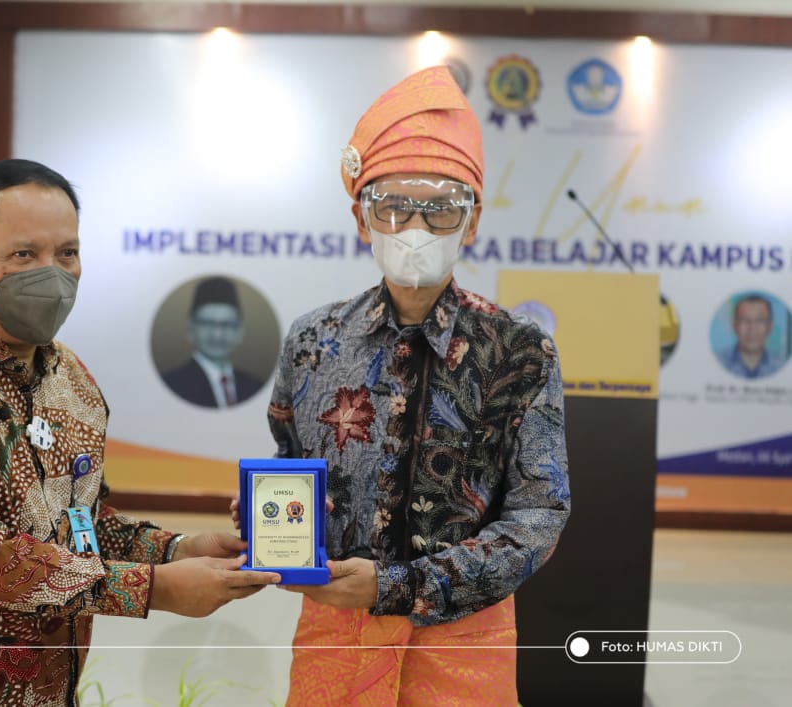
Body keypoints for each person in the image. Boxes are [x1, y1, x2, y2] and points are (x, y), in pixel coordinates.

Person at [0, 159, 280, 706]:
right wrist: (154, 589)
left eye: (67, 253)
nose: (52, 274)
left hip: (52, 687)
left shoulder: (71, 379)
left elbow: (80, 525)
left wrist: (175, 550)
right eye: (23, 255)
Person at [234, 65, 570, 705]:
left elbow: (539, 516)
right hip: (336, 635)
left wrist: (400, 588)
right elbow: (289, 463)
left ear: (472, 221)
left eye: (441, 209)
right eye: (391, 205)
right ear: (362, 219)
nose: (414, 227)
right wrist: (266, 516)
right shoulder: (313, 341)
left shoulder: (519, 351)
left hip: (462, 646)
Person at [160, 275, 263, 408]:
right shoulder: (172, 385)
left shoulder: (255, 386)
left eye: (227, 324)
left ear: (240, 331)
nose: (217, 335)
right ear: (191, 329)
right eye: (207, 324)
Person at [721, 294, 782, 378]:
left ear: (770, 326)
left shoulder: (781, 365)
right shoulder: (718, 362)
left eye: (760, 320)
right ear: (734, 326)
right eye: (744, 320)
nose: (752, 328)